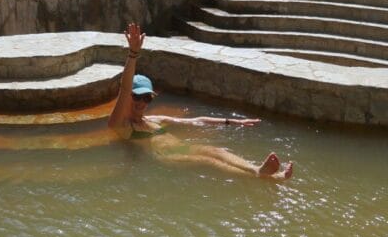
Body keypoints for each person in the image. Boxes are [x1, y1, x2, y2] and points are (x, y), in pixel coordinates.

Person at [108, 23, 294, 181]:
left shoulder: (154, 120)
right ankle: (260, 175)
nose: (142, 102)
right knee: (209, 161)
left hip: (183, 147)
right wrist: (133, 54)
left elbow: (196, 120)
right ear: (129, 97)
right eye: (137, 97)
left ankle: (258, 170)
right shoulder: (121, 125)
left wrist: (233, 121)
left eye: (146, 97)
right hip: (166, 156)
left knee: (217, 151)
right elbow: (124, 89)